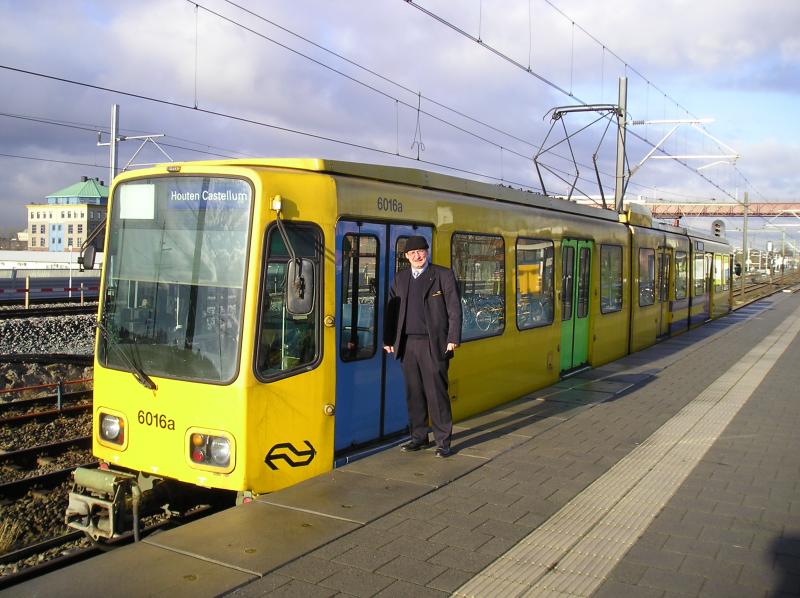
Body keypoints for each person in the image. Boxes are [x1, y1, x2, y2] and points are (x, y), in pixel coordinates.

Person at [383, 236, 462, 457]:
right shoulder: (400, 278)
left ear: (427, 252)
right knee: (414, 393)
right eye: (412, 253)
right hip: (407, 344)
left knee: (437, 394)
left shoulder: (443, 275)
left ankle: (443, 442)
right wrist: (388, 340)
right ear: (406, 256)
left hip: (433, 344)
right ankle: (418, 437)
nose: (417, 256)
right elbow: (391, 310)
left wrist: (453, 338)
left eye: (420, 251)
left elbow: (454, 309)